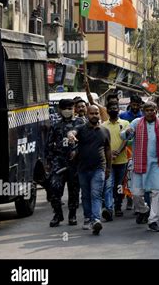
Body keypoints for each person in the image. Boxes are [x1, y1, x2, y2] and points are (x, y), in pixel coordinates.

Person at [121, 101, 159, 232]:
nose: (150, 112)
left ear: (156, 111)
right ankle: (144, 209)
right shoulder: (137, 122)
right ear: (143, 111)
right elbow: (123, 135)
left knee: (156, 191)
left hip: (157, 163)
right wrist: (127, 131)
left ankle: (153, 220)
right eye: (147, 110)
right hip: (139, 162)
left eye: (152, 110)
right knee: (136, 193)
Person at [67, 105, 111, 235]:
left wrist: (109, 167)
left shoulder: (105, 130)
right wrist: (71, 135)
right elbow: (72, 132)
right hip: (83, 169)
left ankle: (96, 220)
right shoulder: (80, 129)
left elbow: (108, 149)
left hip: (99, 168)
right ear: (87, 115)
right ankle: (87, 218)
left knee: (96, 194)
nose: (95, 115)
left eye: (96, 113)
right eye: (91, 113)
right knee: (85, 195)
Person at [45, 99, 85, 227]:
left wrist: (77, 152)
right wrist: (49, 162)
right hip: (59, 161)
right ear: (60, 110)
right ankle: (58, 214)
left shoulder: (81, 123)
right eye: (65, 108)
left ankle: (72, 215)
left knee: (74, 190)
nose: (68, 110)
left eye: (70, 108)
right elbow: (49, 145)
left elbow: (86, 143)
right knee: (55, 188)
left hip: (75, 162)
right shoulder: (56, 125)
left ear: (74, 109)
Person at [101, 102, 130, 220]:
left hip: (122, 160)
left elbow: (126, 139)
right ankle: (109, 209)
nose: (113, 110)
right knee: (108, 185)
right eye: (111, 108)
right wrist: (109, 154)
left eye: (115, 108)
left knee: (119, 186)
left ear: (118, 110)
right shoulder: (103, 125)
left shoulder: (125, 123)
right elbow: (102, 142)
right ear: (107, 110)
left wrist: (118, 151)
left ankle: (118, 206)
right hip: (108, 163)